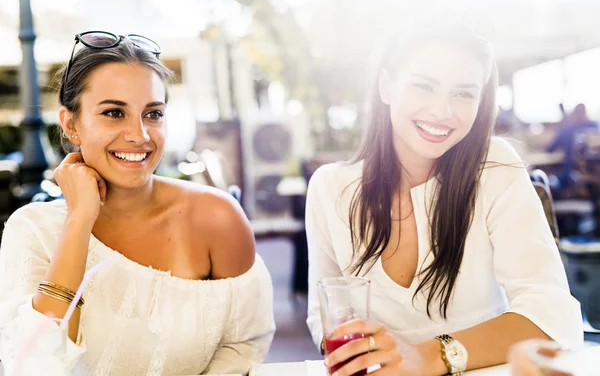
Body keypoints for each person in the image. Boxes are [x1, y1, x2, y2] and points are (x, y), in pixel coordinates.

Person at [305, 19, 583, 376]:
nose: (442, 111)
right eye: (424, 86)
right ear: (387, 86)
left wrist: (429, 355)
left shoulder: (493, 167)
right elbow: (324, 314)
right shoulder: (331, 188)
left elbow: (552, 315)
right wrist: (371, 352)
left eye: (464, 93)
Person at [0, 32, 275, 375]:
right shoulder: (32, 230)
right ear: (71, 124)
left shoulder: (216, 218)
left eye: (153, 114)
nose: (140, 135)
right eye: (114, 112)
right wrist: (79, 222)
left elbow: (242, 348)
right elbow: (32, 367)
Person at [546, 103, 599, 189]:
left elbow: (550, 149)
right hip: (581, 170)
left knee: (557, 180)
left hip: (570, 169)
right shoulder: (595, 126)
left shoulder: (567, 129)